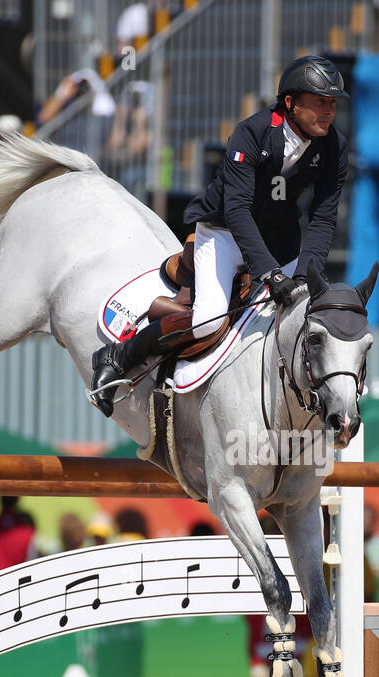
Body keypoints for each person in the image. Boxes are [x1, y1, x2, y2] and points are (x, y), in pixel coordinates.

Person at [90, 54, 350, 415]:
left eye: (333, 104)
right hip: (225, 232)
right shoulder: (252, 133)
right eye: (320, 102)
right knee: (207, 320)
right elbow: (237, 210)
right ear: (290, 103)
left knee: (301, 323)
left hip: (281, 240)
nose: (329, 111)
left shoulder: (334, 147)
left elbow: (322, 220)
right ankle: (120, 355)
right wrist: (269, 274)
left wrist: (306, 274)